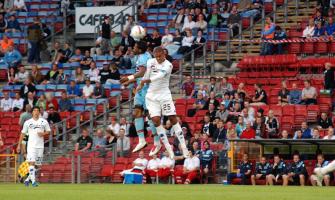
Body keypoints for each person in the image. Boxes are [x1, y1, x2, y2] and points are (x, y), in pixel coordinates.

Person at [136, 47, 189, 159]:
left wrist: (148, 80)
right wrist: (141, 84)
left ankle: (184, 148)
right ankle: (169, 149)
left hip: (164, 95)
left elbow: (159, 76)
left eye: (160, 56)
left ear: (164, 54)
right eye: (156, 56)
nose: (158, 58)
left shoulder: (168, 65)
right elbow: (147, 74)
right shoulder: (150, 62)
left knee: (172, 118)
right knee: (155, 120)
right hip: (151, 96)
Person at [119, 41, 158, 155]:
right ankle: (141, 140)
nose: (133, 49)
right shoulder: (142, 56)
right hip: (140, 90)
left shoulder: (144, 57)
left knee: (150, 117)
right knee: (137, 113)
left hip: (148, 90)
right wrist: (129, 81)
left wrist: (128, 77)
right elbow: (140, 74)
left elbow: (142, 72)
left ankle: (156, 142)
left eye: (135, 47)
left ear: (140, 49)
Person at [17, 106, 51, 187]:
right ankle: (33, 182)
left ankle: (27, 179)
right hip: (31, 146)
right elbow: (23, 134)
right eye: (34, 110)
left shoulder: (44, 121)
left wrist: (43, 133)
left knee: (38, 165)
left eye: (37, 110)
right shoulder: (27, 122)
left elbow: (49, 131)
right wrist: (19, 145)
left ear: (39, 112)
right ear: (32, 112)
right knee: (31, 163)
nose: (36, 112)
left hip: (40, 146)